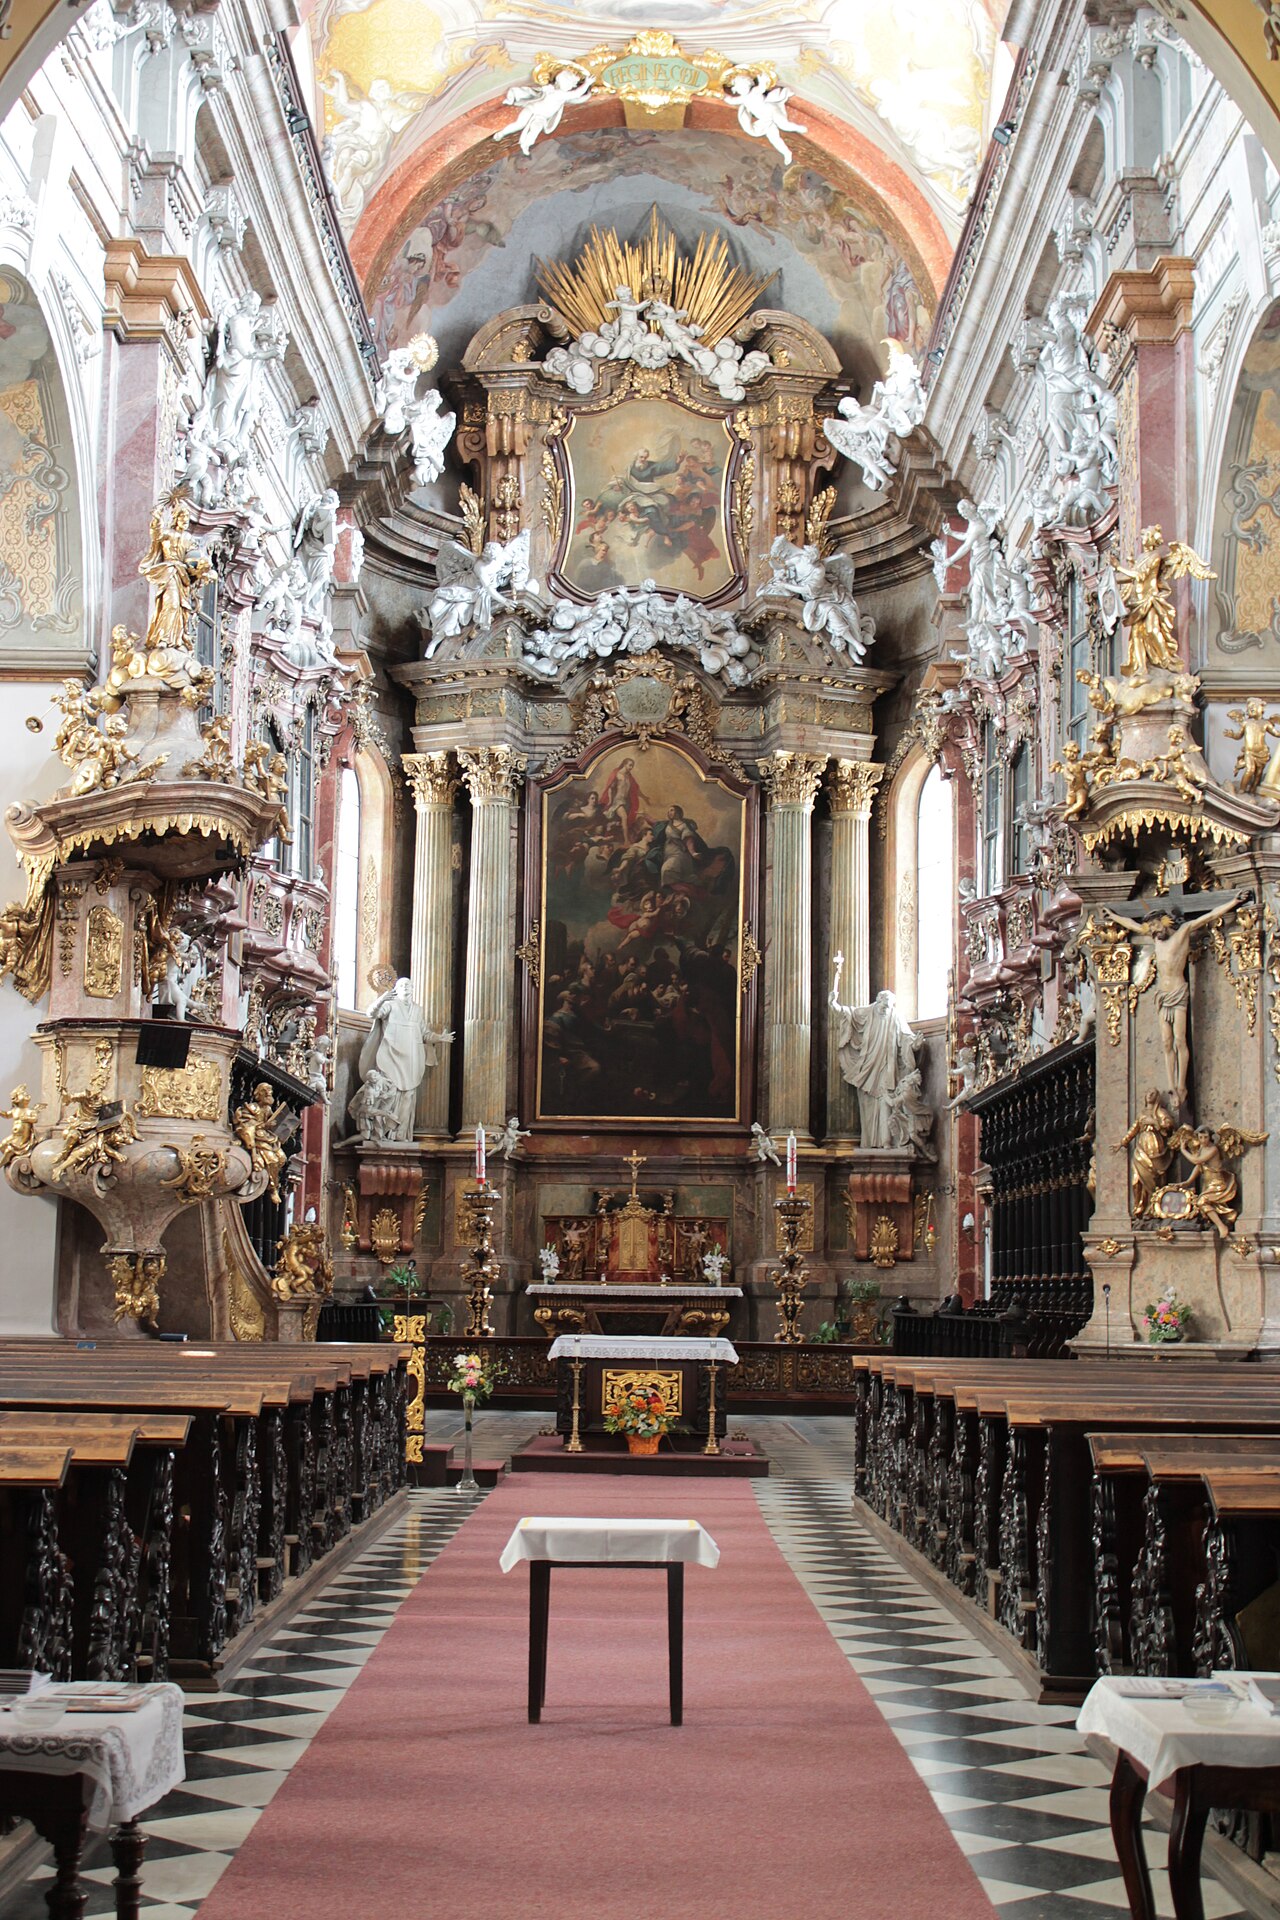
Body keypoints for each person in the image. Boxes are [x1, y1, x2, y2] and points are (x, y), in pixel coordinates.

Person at [356, 978, 451, 1141]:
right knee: (390, 1092)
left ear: (413, 989)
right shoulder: (390, 1005)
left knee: (408, 1095)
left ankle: (400, 1133)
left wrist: (439, 1038)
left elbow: (424, 1033)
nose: (405, 987)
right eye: (401, 985)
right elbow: (371, 1013)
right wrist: (382, 999)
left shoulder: (417, 1010)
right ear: (396, 990)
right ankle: (383, 1133)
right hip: (390, 1055)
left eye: (408, 985)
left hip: (411, 1058)